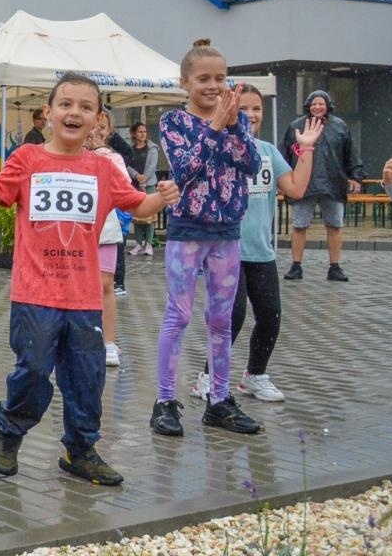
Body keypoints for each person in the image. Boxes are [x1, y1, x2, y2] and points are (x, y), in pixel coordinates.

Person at [0, 74, 175, 485]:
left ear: (98, 119)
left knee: (88, 376)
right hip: (34, 292)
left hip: (85, 297)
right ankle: (10, 432)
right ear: (48, 112)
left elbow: (139, 206)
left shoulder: (103, 167)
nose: (75, 113)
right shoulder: (27, 158)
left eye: (85, 107)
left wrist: (164, 196)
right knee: (32, 370)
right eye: (66, 104)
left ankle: (80, 450)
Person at [152, 39, 263, 440]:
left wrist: (233, 124)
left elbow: (250, 162)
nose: (213, 85)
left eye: (220, 77)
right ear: (185, 82)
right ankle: (165, 402)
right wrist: (215, 126)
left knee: (221, 319)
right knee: (178, 315)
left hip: (226, 232)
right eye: (204, 78)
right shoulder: (173, 123)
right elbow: (184, 170)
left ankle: (219, 401)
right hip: (188, 230)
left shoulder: (240, 122)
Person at [192, 86, 322, 405]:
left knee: (270, 315)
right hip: (225, 250)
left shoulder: (267, 151)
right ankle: (207, 376)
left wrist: (306, 149)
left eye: (257, 109)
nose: (251, 115)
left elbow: (296, 188)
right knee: (230, 316)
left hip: (261, 251)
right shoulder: (217, 147)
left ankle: (254, 375)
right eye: (244, 108)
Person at [281, 90, 364, 282]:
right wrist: (283, 180)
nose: (317, 107)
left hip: (333, 183)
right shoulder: (296, 126)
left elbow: (350, 153)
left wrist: (356, 176)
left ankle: (335, 267)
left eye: (321, 103)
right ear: (308, 106)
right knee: (299, 225)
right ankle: (296, 266)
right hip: (303, 184)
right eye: (314, 104)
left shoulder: (340, 127)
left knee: (334, 225)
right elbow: (284, 154)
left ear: (328, 105)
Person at [83, 112, 130, 367]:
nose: (96, 132)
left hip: (105, 230)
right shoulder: (73, 153)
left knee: (105, 285)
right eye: (93, 127)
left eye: (102, 128)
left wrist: (100, 152)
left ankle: (109, 342)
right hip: (76, 230)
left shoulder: (112, 157)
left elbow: (123, 187)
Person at [122, 121, 160, 256]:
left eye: (144, 131)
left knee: (149, 216)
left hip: (149, 184)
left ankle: (149, 244)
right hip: (134, 184)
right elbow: (126, 164)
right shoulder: (129, 148)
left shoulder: (153, 148)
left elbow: (152, 165)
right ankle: (138, 243)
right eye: (140, 132)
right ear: (134, 133)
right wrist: (136, 175)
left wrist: (144, 179)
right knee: (137, 215)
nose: (142, 134)